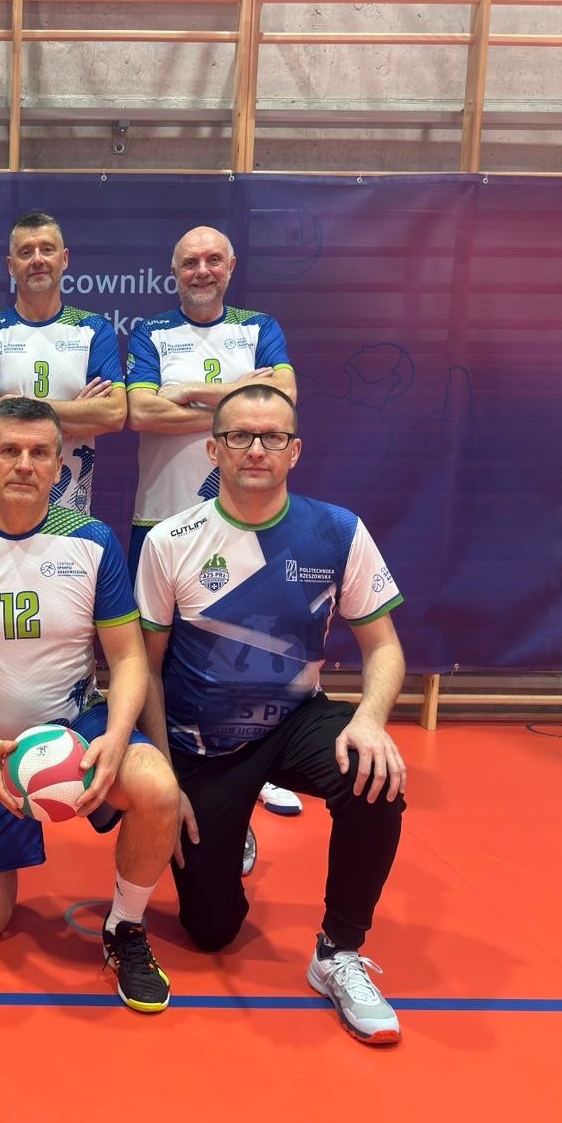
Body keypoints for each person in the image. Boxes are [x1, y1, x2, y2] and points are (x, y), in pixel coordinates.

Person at [134, 383, 408, 1044]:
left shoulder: (337, 531)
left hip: (293, 721)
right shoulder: (170, 541)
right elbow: (142, 668)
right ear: (213, 450)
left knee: (374, 779)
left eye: (272, 437)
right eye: (239, 436)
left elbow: (384, 647)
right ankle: (232, 825)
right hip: (202, 746)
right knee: (211, 931)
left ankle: (338, 952)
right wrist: (164, 781)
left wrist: (369, 720)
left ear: (295, 451)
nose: (256, 449)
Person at [0, 397, 181, 1014]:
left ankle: (125, 927)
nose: (23, 464)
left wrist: (118, 736)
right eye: (9, 451)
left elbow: (129, 659)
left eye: (39, 453)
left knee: (158, 788)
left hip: (79, 729)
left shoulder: (93, 541)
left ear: (59, 465)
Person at [126, 225, 303, 828]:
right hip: (162, 520)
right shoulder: (151, 331)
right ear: (173, 270)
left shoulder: (259, 327)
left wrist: (192, 393)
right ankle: (165, 768)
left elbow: (285, 394)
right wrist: (241, 408)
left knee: (248, 649)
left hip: (248, 521)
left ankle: (260, 769)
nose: (201, 270)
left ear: (231, 266)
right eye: (189, 262)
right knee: (160, 656)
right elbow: (140, 409)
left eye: (212, 260)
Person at [0, 210, 125, 515]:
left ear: (64, 258)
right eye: (25, 252)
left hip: (70, 512)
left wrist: (19, 406)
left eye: (47, 249)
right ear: (11, 266)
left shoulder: (94, 330)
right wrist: (76, 412)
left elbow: (113, 413)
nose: (37, 260)